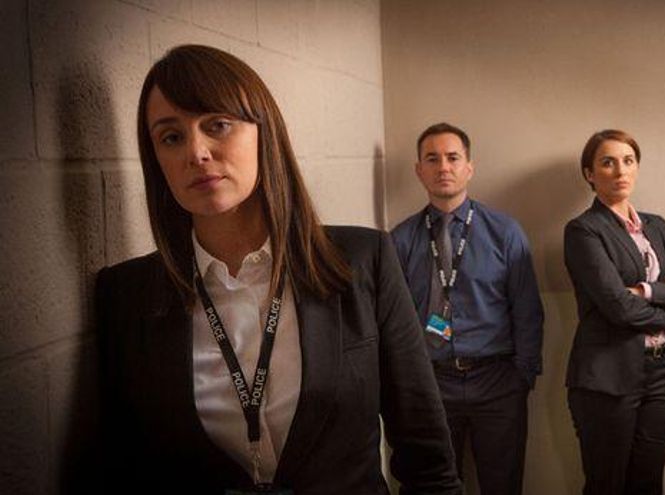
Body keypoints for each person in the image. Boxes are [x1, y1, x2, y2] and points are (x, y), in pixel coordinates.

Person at [95, 44, 461, 495]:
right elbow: (124, 470)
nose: (197, 152)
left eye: (217, 125)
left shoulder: (364, 260)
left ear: (263, 132)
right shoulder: (125, 295)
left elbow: (428, 462)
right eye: (171, 137)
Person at [391, 123, 544, 495]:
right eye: (432, 159)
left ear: (469, 167)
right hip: (431, 386)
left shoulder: (504, 232)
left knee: (502, 486)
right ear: (419, 170)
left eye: (453, 158)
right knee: (431, 487)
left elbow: (527, 310)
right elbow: (394, 322)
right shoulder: (400, 240)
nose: (443, 167)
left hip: (497, 384)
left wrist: (521, 377)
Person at [564, 129, 665, 495]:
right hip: (607, 378)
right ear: (590, 174)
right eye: (607, 162)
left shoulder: (656, 225)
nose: (620, 170)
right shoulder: (583, 231)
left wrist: (646, 291)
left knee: (648, 484)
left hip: (661, 374)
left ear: (637, 168)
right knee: (607, 486)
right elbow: (618, 308)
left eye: (628, 161)